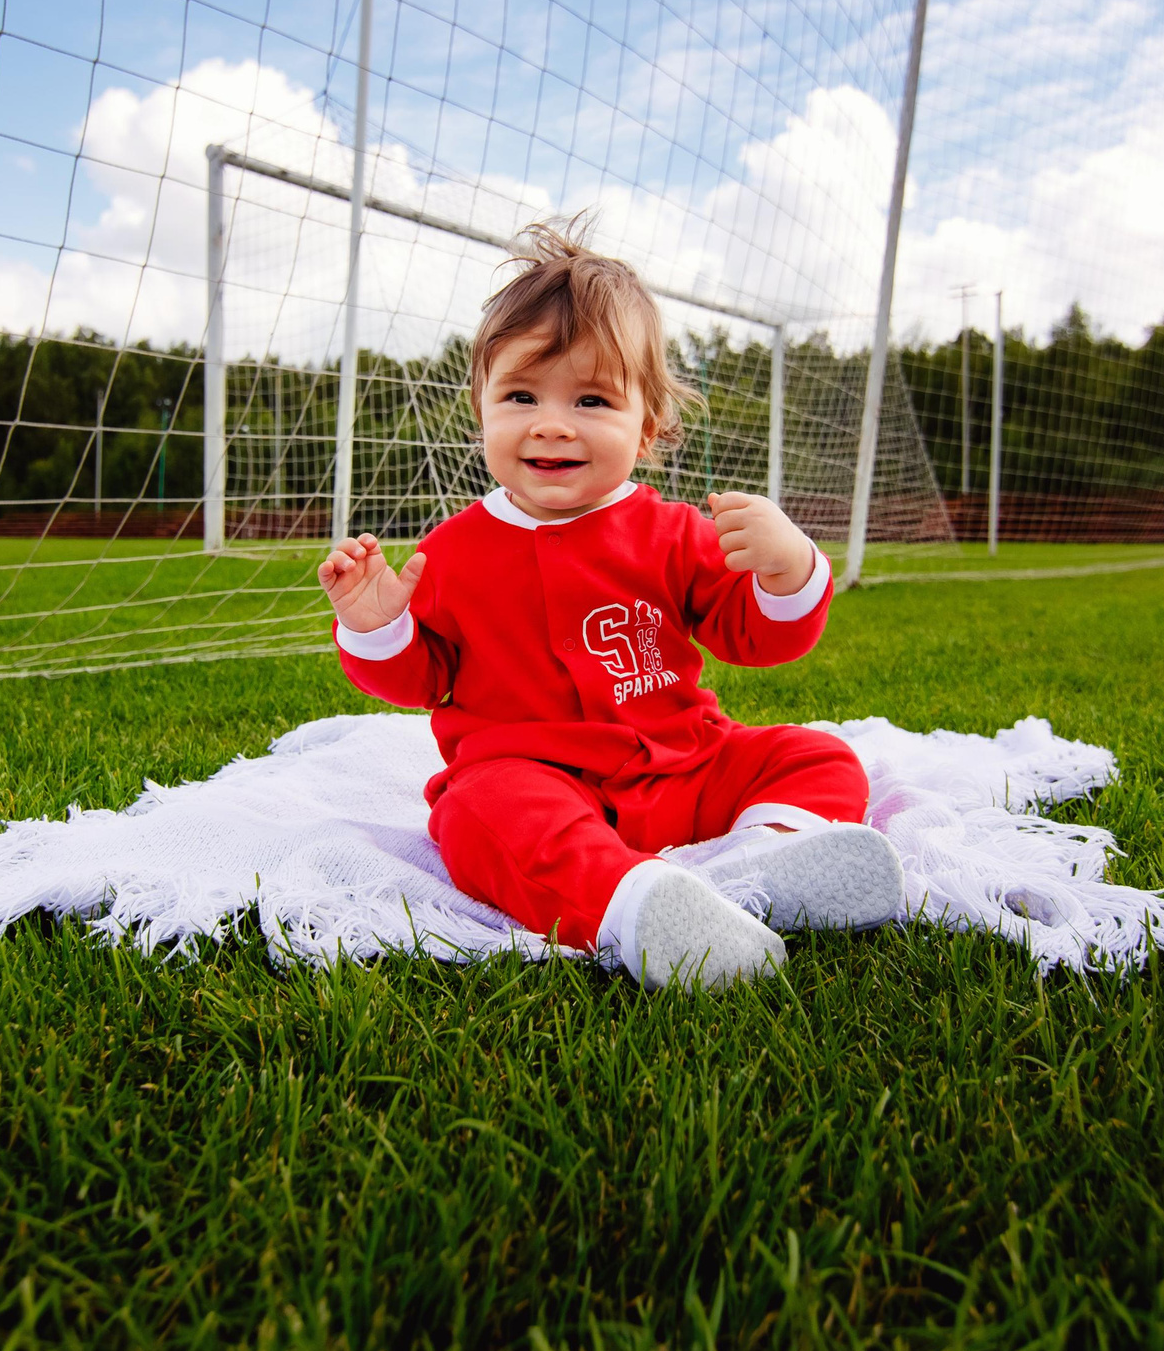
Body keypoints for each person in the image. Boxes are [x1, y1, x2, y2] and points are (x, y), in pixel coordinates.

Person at [318, 222, 903, 989]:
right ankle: (636, 906)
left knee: (816, 754)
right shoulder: (453, 550)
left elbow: (752, 635)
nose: (552, 422)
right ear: (481, 411)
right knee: (475, 813)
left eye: (591, 399)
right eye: (521, 395)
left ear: (647, 426)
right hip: (537, 776)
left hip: (685, 766)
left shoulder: (674, 532)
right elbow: (421, 677)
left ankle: (769, 863)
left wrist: (788, 572)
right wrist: (377, 623)